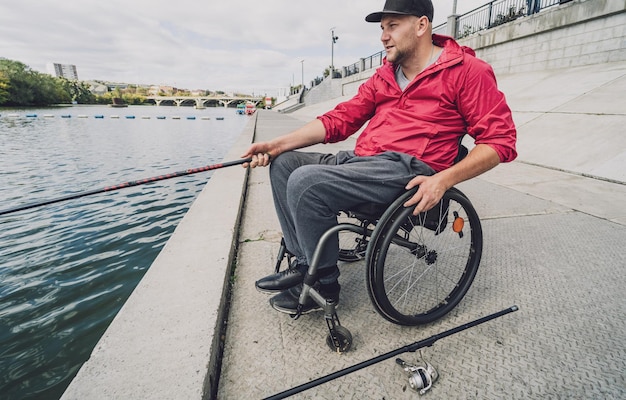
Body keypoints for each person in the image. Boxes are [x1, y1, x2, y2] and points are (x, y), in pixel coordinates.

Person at [241, 0, 517, 315]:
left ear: (421, 25)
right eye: (382, 28)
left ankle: (323, 283)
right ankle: (305, 262)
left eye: (393, 26)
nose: (383, 36)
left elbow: (500, 141)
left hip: (408, 171)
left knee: (306, 182)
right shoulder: (384, 76)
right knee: (284, 164)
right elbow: (339, 120)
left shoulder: (467, 71)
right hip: (364, 162)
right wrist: (278, 144)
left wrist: (444, 180)